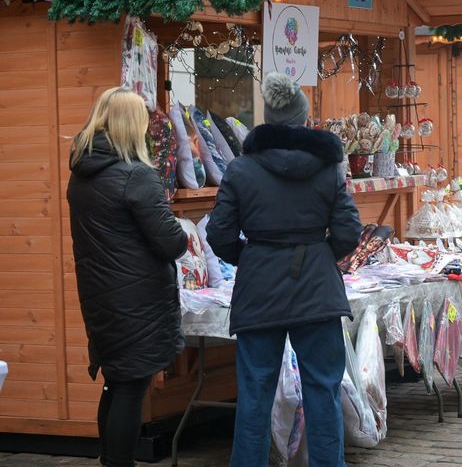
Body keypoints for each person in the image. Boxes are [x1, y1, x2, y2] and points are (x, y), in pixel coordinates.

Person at [207, 73, 362, 466]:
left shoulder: (240, 169)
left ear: (270, 117)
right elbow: (348, 231)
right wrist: (321, 253)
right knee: (323, 390)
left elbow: (219, 234)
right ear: (303, 119)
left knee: (255, 393)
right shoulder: (329, 168)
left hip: (259, 288)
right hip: (317, 288)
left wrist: (252, 257)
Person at [67, 88, 188, 467]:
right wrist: (184, 232)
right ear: (131, 126)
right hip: (137, 301)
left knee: (116, 381)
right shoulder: (136, 175)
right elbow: (171, 242)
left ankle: (109, 460)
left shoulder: (82, 174)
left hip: (101, 295)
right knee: (131, 388)